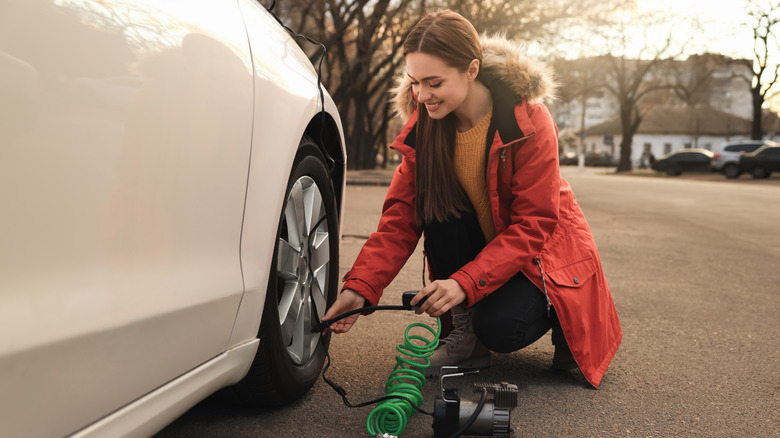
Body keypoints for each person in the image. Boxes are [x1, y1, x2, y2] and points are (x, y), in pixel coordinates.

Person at [322, 10, 621, 388]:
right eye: (415, 83)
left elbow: (534, 225)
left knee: (501, 328)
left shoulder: (528, 120)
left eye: (434, 82)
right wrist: (360, 287)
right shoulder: (424, 127)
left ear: (472, 69)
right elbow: (400, 219)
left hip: (540, 255)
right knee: (435, 209)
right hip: (484, 248)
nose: (422, 95)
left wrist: (463, 283)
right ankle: (467, 339)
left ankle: (561, 313)